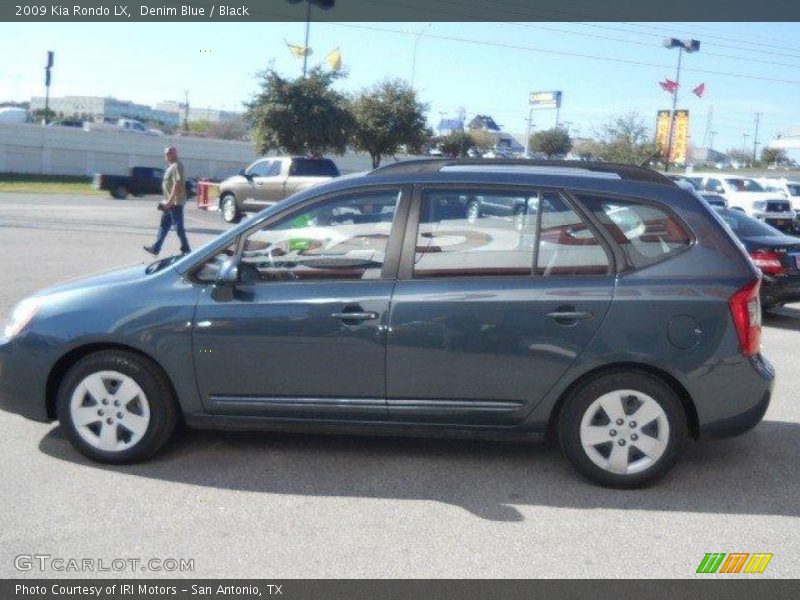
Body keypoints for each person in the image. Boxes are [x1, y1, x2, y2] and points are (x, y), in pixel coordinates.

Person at [144, 146, 191, 256]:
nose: (168, 155)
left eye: (170, 152)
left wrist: (170, 201)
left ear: (175, 153)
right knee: (164, 226)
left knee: (178, 227)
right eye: (166, 153)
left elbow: (178, 183)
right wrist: (166, 201)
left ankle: (186, 249)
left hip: (175, 203)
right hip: (169, 203)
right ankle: (156, 248)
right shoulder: (171, 166)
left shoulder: (177, 165)